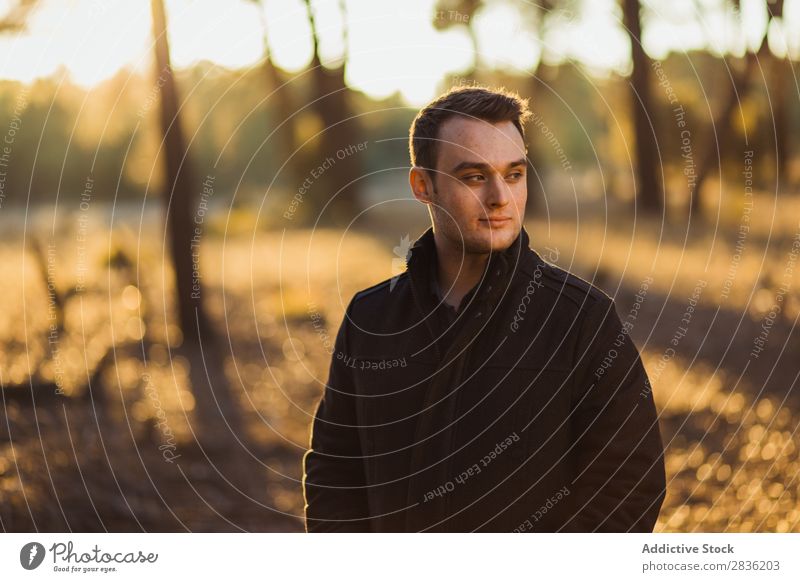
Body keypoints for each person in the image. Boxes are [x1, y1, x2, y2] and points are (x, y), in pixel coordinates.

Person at [302, 85, 666, 532]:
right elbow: (334, 472)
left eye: (513, 174)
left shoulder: (581, 319)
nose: (500, 198)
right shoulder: (371, 318)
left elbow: (629, 485)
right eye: (474, 176)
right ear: (423, 185)